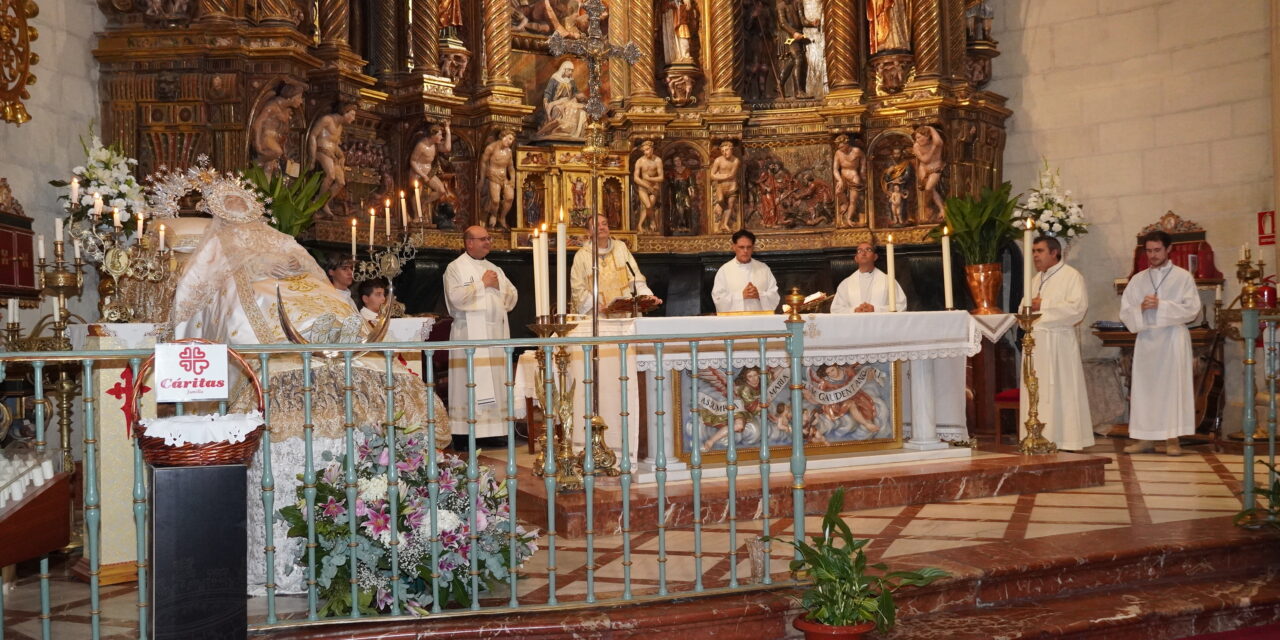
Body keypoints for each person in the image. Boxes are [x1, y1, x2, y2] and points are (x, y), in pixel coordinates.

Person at [1120, 230, 1201, 456]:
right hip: (1147, 339)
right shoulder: (1138, 280)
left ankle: (1172, 438)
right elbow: (1125, 312)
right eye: (1148, 251)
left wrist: (1161, 306)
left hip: (1173, 338)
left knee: (1172, 388)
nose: (1153, 255)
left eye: (1157, 250)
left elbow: (1192, 310)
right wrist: (1141, 309)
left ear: (1168, 249)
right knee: (1145, 390)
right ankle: (1145, 437)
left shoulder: (1183, 277)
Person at [444, 227, 519, 439]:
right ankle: (464, 432)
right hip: (469, 333)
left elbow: (512, 298)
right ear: (469, 243)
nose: (488, 242)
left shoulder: (494, 268)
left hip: (495, 332)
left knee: (496, 381)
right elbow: (455, 298)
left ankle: (496, 431)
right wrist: (482, 284)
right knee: (469, 381)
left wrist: (497, 287)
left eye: (489, 238)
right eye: (483, 239)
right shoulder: (455, 267)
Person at [1019, 236, 1093, 451]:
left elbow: (1078, 308)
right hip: (1036, 343)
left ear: (1054, 253)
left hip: (1058, 342)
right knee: (1036, 388)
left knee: (1061, 389)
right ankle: (1035, 435)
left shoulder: (1071, 276)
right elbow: (1024, 306)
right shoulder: (1035, 279)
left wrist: (1044, 305)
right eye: (1033, 251)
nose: (1035, 255)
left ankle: (1065, 438)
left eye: (1039, 251)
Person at [571, 215, 662, 314]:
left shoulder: (621, 248)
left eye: (604, 224)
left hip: (625, 314)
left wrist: (647, 297)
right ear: (588, 232)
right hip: (598, 316)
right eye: (596, 225)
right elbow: (578, 287)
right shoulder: (581, 256)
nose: (601, 227)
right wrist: (597, 306)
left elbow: (635, 276)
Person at [308, 101, 357, 218]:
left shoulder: (340, 127)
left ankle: (323, 202)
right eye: (352, 114)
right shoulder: (327, 120)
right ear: (345, 112)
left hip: (331, 154)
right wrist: (312, 158)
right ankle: (317, 203)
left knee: (341, 182)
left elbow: (334, 144)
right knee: (331, 175)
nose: (354, 118)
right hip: (321, 150)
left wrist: (342, 155)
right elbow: (313, 135)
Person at [712, 229, 780, 313]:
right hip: (735, 322)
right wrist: (741, 296)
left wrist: (759, 295)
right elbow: (718, 299)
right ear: (734, 247)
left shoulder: (764, 269)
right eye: (741, 247)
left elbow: (774, 295)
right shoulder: (724, 270)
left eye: (749, 247)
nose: (745, 251)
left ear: (753, 247)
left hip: (760, 320)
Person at [831, 241, 906, 312]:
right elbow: (835, 309)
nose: (863, 253)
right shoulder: (846, 284)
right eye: (860, 251)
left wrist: (875, 309)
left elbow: (901, 305)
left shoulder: (888, 281)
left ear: (875, 257)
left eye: (868, 250)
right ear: (856, 258)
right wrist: (854, 310)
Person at [410, 123, 453, 219]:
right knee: (416, 193)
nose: (441, 137)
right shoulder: (421, 145)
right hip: (417, 172)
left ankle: (424, 201)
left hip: (429, 171)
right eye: (440, 135)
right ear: (433, 135)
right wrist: (422, 175)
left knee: (441, 191)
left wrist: (448, 130)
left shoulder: (435, 145)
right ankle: (416, 216)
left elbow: (447, 148)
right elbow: (412, 161)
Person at [479, 129, 516, 230]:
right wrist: (482, 178)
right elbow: (483, 162)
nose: (510, 142)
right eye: (509, 138)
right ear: (503, 136)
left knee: (510, 197)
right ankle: (494, 215)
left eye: (512, 140)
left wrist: (512, 178)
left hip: (504, 178)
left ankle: (502, 217)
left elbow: (511, 167)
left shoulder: (508, 151)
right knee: (495, 200)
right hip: (493, 176)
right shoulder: (491, 148)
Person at [541, 60, 588, 139]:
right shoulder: (555, 78)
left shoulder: (571, 80)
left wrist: (581, 96)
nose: (570, 72)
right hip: (557, 103)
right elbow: (548, 92)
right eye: (569, 70)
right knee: (558, 109)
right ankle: (561, 129)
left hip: (569, 101)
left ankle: (573, 132)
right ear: (564, 69)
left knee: (581, 111)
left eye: (572, 71)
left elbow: (575, 92)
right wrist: (546, 102)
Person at [913, 125, 945, 222]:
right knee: (924, 190)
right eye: (916, 138)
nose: (917, 140)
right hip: (923, 168)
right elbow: (925, 160)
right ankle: (930, 210)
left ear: (927, 136)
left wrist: (930, 128)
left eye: (919, 137)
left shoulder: (935, 143)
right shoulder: (916, 146)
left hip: (935, 169)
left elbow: (939, 141)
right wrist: (932, 149)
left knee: (929, 188)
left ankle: (936, 209)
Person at [832, 135, 865, 227]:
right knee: (838, 191)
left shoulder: (857, 151)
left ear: (847, 143)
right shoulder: (838, 153)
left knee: (853, 200)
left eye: (842, 146)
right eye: (839, 147)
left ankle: (849, 218)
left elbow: (863, 159)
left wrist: (863, 171)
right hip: (842, 177)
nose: (840, 149)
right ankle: (845, 203)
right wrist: (839, 180)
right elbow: (835, 169)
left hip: (854, 177)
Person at [709, 141, 741, 233]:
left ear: (731, 149)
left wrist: (720, 176)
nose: (724, 152)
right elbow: (712, 175)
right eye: (722, 151)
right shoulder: (718, 160)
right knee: (720, 201)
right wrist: (725, 176)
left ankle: (724, 224)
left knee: (730, 205)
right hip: (721, 187)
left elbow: (732, 175)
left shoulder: (736, 160)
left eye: (726, 150)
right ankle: (719, 223)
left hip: (732, 186)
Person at [633, 140, 664, 233]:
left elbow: (661, 177)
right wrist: (647, 185)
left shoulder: (658, 160)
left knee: (649, 207)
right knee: (648, 205)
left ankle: (642, 225)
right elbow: (636, 178)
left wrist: (650, 179)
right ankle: (649, 221)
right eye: (644, 151)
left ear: (652, 149)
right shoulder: (640, 161)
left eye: (647, 150)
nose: (646, 152)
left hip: (654, 187)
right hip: (643, 187)